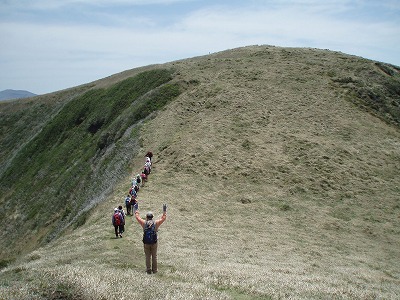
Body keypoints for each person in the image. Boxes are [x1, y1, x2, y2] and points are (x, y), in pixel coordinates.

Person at [133, 202, 167, 274]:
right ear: (152, 217)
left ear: (146, 217)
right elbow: (163, 218)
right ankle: (155, 270)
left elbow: (137, 217)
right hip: (154, 242)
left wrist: (136, 210)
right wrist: (164, 211)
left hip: (146, 242)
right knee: (154, 256)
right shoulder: (156, 223)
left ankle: (148, 269)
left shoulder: (144, 223)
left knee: (147, 256)